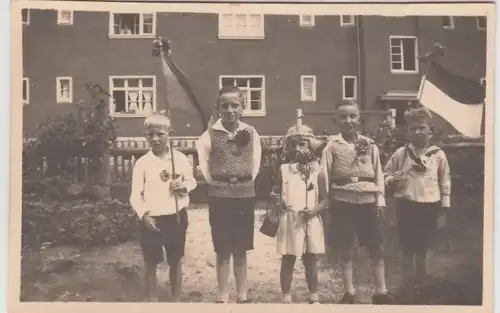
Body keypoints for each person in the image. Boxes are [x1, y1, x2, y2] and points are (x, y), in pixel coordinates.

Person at [320, 100, 393, 304]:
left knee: (375, 245)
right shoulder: (331, 146)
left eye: (352, 116)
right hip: (342, 200)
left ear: (359, 118)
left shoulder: (370, 145)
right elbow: (324, 174)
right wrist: (326, 202)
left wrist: (380, 200)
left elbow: (378, 173)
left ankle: (381, 291)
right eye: (343, 117)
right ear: (336, 120)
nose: (348, 121)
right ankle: (349, 292)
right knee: (346, 246)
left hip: (368, 200)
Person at [196, 86, 262, 303]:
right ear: (218, 108)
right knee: (223, 247)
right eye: (225, 106)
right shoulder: (209, 135)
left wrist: (241, 181)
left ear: (242, 107)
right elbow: (205, 166)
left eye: (235, 105)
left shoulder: (251, 132)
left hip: (244, 193)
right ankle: (223, 294)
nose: (230, 110)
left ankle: (242, 294)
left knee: (241, 247)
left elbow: (256, 164)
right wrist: (220, 181)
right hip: (220, 195)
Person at [384, 107, 451, 303]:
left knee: (424, 248)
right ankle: (407, 285)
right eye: (413, 129)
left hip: (430, 206)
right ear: (407, 131)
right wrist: (391, 179)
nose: (417, 132)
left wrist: (443, 210)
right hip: (407, 206)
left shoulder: (438, 155)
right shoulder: (401, 154)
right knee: (407, 247)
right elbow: (385, 174)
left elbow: (445, 182)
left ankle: (422, 285)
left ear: (430, 130)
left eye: (422, 128)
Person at [130, 114, 197, 302]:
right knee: (151, 261)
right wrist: (144, 215)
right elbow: (136, 194)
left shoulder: (180, 159)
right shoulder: (142, 163)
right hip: (151, 219)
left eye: (160, 134)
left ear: (170, 134)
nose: (155, 139)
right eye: (150, 135)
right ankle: (153, 300)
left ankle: (175, 300)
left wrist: (183, 186)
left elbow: (192, 181)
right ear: (146, 136)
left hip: (175, 216)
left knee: (175, 260)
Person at [272, 124, 328, 304]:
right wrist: (277, 202)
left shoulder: (318, 171)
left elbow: (326, 199)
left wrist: (313, 211)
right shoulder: (284, 170)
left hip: (310, 219)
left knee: (310, 259)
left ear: (311, 146)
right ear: (288, 147)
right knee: (288, 258)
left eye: (303, 144)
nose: (298, 148)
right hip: (290, 218)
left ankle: (314, 296)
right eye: (294, 144)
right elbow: (276, 193)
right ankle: (286, 297)